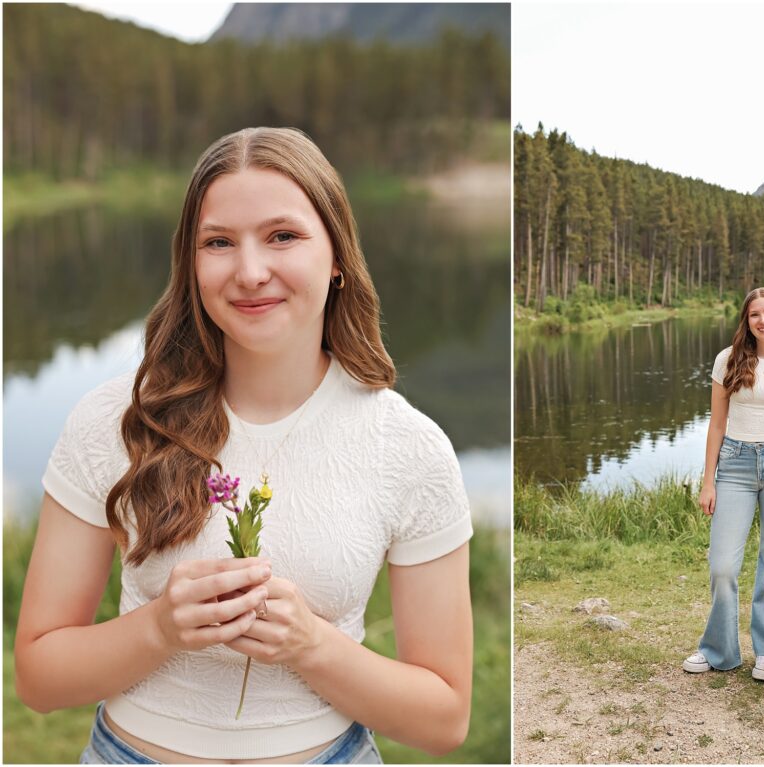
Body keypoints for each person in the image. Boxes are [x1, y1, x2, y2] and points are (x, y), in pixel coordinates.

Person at [14, 127, 474, 764]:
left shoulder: (411, 448)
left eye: (282, 236)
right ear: (191, 263)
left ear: (337, 256)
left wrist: (312, 645)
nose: (251, 272)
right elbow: (38, 678)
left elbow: (445, 719)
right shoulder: (114, 420)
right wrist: (159, 628)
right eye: (219, 243)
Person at [683, 286, 764, 681]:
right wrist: (708, 482)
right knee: (723, 564)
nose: (763, 320)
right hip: (735, 464)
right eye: (755, 314)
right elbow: (717, 424)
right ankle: (719, 650)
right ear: (747, 320)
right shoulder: (728, 359)